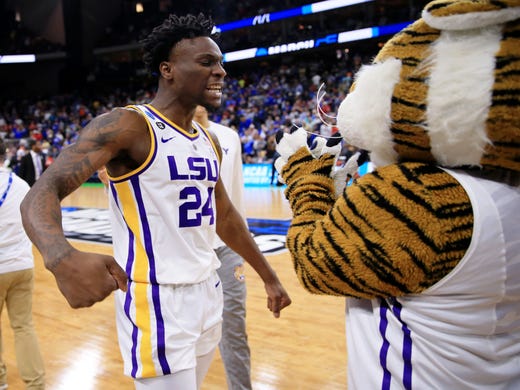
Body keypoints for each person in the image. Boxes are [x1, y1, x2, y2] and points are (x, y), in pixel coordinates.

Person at [20, 13, 291, 390]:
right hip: (158, 301)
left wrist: (270, 276)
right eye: (207, 62)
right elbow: (40, 194)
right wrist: (60, 257)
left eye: (221, 63)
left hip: (207, 290)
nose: (222, 72)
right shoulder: (127, 126)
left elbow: (225, 217)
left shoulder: (206, 139)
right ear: (168, 70)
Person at [193, 105, 252, 390]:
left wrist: (244, 244)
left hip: (227, 248)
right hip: (190, 249)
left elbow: (236, 193)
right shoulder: (166, 136)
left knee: (234, 330)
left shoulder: (229, 136)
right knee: (189, 334)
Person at [0, 138, 45, 390]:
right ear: (5, 154)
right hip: (21, 265)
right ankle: (36, 384)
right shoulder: (21, 184)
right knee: (24, 327)